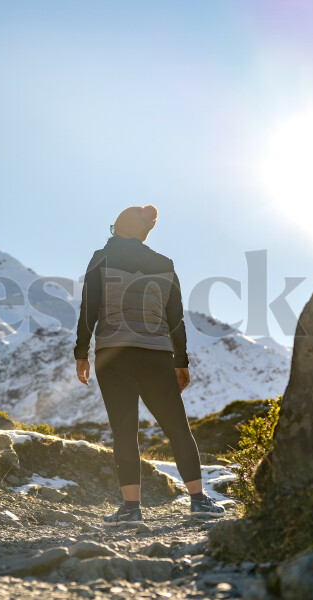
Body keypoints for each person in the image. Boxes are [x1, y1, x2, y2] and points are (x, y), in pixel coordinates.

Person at [73, 205, 225, 525]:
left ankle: (131, 509)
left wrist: (81, 352)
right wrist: (181, 361)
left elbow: (89, 308)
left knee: (125, 432)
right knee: (177, 429)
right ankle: (199, 501)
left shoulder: (101, 258)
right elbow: (175, 319)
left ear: (118, 228)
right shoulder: (164, 264)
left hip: (114, 356)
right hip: (157, 355)